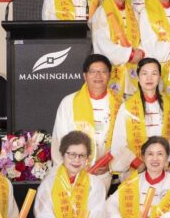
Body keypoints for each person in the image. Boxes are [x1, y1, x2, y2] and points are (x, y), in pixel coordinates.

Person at [27, 131, 117, 218]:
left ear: (88, 158)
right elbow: (44, 217)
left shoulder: (95, 183)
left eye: (81, 156)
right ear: (63, 155)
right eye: (71, 154)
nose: (76, 160)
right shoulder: (49, 183)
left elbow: (97, 214)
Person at [50, 54, 121, 186]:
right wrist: (68, 171)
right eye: (93, 72)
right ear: (85, 76)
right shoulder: (69, 102)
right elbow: (58, 140)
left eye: (103, 71)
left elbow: (123, 142)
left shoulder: (120, 105)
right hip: (72, 173)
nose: (98, 76)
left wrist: (110, 166)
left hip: (102, 174)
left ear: (110, 75)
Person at [109, 58, 170, 175]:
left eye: (154, 74)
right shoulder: (127, 107)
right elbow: (118, 144)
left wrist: (166, 161)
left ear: (159, 77)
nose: (149, 78)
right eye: (144, 74)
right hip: (136, 167)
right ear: (138, 78)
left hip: (164, 166)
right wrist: (139, 163)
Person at [91, 0, 143, 99]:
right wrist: (129, 54)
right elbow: (102, 44)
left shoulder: (134, 13)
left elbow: (142, 39)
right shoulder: (101, 12)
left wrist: (140, 52)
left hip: (132, 73)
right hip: (110, 73)